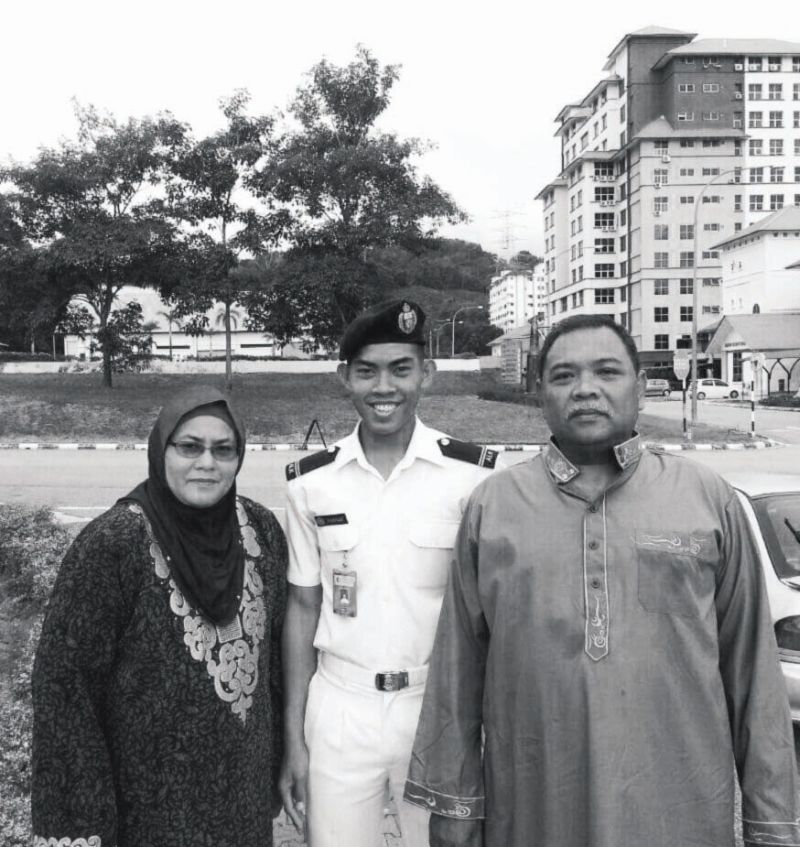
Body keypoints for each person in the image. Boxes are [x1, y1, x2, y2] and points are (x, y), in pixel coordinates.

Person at [405, 314, 799, 847]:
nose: (585, 389)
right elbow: (458, 667)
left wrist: (772, 823)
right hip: (532, 811)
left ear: (639, 386)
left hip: (680, 814)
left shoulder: (707, 499)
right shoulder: (493, 507)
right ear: (539, 392)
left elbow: (753, 673)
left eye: (607, 372)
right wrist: (453, 804)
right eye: (564, 375)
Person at [280, 300, 499, 847]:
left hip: (436, 706)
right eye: (367, 371)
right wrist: (293, 736)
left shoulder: (471, 477)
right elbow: (303, 607)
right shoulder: (312, 483)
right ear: (343, 378)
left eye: (401, 368)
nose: (385, 386)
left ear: (426, 373)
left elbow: (491, 614)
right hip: (339, 705)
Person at [31, 386, 287, 847]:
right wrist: (84, 826)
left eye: (223, 449)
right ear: (160, 449)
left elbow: (275, 662)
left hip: (242, 804)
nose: (207, 463)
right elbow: (65, 689)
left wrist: (280, 762)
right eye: (189, 447)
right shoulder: (114, 545)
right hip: (148, 813)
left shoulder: (261, 529)